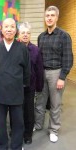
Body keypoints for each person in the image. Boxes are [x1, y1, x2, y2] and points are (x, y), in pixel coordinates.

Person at [0, 18, 30, 150]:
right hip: (0, 91)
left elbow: (27, 70)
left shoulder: (22, 48)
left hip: (16, 91)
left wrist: (22, 85)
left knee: (18, 122)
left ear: (15, 30)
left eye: (12, 27)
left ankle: (16, 146)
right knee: (0, 123)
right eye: (6, 26)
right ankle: (1, 146)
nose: (9, 29)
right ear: (1, 29)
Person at [34, 6, 73, 143]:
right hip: (42, 72)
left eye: (52, 15)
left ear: (56, 17)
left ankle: (54, 129)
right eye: (47, 15)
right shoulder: (41, 37)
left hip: (56, 73)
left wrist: (62, 77)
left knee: (55, 104)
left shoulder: (64, 36)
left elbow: (68, 58)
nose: (49, 18)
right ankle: (38, 125)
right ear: (45, 18)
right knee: (40, 101)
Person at [18, 22, 44, 144]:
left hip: (30, 86)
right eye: (23, 32)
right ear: (19, 34)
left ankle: (28, 134)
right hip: (16, 87)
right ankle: (17, 131)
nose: (25, 35)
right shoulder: (14, 48)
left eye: (28, 33)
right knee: (17, 111)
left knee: (28, 111)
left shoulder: (36, 50)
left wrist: (39, 87)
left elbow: (39, 70)